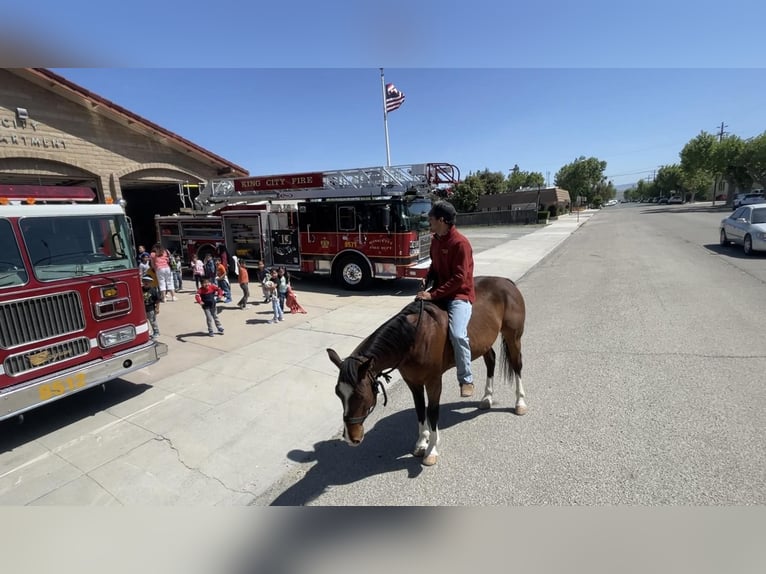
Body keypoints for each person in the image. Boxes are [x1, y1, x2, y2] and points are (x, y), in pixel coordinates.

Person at [416, 200, 476, 398]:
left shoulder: (461, 244)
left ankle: (466, 379)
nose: (428, 222)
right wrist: (426, 280)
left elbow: (459, 279)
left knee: (458, 334)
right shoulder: (436, 240)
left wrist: (432, 294)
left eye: (431, 219)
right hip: (440, 291)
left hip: (459, 295)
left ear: (442, 220)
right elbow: (434, 266)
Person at [141, 275, 161, 339]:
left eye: (148, 281)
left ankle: (156, 332)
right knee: (144, 321)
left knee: (153, 321)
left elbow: (157, 300)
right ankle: (147, 331)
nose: (146, 282)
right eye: (144, 281)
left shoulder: (153, 290)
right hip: (143, 309)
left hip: (151, 309)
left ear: (151, 282)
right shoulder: (140, 289)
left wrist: (157, 308)